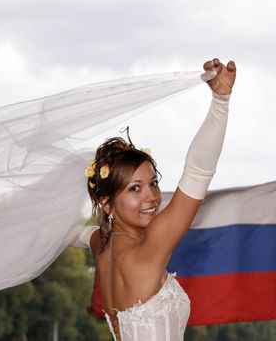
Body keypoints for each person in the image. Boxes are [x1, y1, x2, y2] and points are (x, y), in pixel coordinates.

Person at [76, 58, 236, 340]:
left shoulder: (101, 245)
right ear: (106, 203)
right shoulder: (148, 249)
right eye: (134, 189)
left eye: (153, 183)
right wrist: (220, 102)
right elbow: (198, 173)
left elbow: (77, 233)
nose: (151, 197)